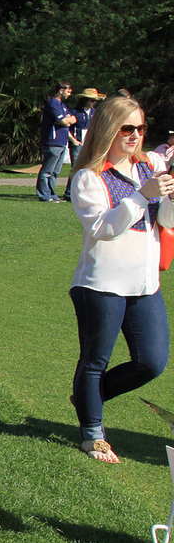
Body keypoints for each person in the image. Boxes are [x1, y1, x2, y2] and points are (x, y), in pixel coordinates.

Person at [66, 95, 174, 461]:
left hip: (144, 284)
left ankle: (86, 396)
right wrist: (143, 196)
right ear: (108, 130)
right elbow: (103, 228)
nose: (135, 136)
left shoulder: (150, 167)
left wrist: (168, 196)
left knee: (152, 362)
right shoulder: (88, 177)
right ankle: (92, 433)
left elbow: (167, 223)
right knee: (95, 360)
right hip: (100, 284)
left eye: (140, 128)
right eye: (127, 128)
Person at [37, 81, 77, 202]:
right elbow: (64, 122)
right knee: (47, 170)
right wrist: (65, 120)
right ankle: (44, 195)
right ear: (61, 90)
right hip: (52, 141)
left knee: (55, 171)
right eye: (68, 91)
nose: (69, 94)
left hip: (62, 142)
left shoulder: (62, 106)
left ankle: (52, 194)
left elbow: (73, 119)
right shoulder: (52, 104)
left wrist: (66, 120)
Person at [67, 88, 103, 170]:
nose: (94, 103)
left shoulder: (95, 112)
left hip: (90, 144)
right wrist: (73, 140)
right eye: (92, 100)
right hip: (77, 144)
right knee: (76, 169)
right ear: (85, 100)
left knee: (89, 168)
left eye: (95, 101)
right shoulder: (74, 112)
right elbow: (66, 128)